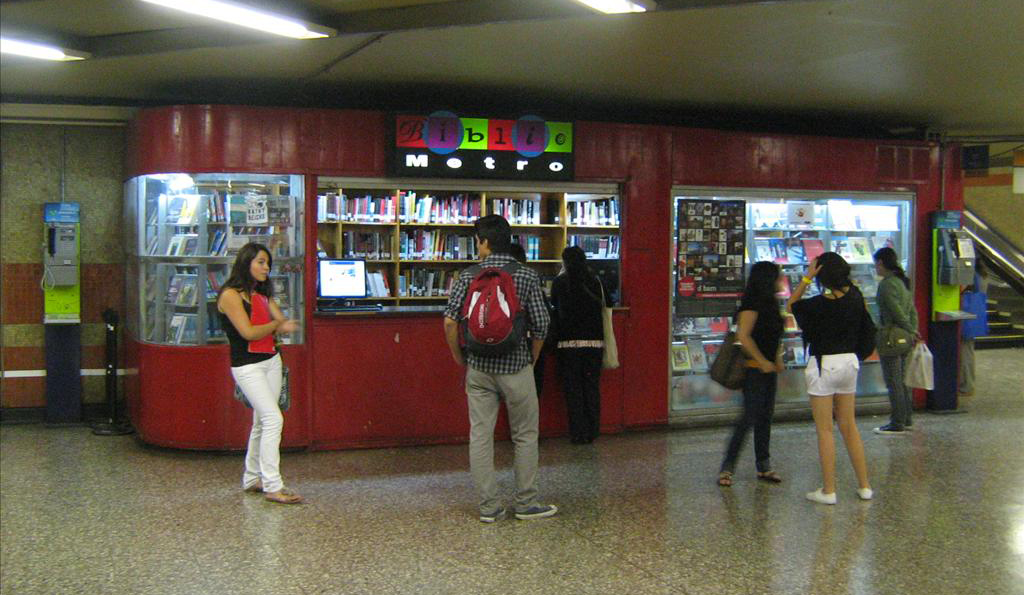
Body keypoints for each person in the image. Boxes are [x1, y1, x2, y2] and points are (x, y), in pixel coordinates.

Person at [443, 215, 557, 523]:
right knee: (525, 435)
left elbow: (451, 321)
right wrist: (530, 361)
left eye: (477, 240)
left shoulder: (467, 275)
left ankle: (489, 508)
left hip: (478, 368)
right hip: (516, 367)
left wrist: (459, 357)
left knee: (480, 435)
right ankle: (526, 503)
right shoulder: (527, 276)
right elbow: (542, 326)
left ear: (485, 242)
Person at [217, 243, 302, 504]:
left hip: (271, 361)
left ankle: (252, 476)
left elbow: (282, 322)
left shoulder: (262, 294)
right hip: (248, 366)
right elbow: (248, 333)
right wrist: (277, 324)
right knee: (273, 419)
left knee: (261, 421)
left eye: (267, 264)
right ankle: (273, 486)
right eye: (261, 262)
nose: (266, 268)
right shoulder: (230, 295)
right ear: (246, 263)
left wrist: (279, 323)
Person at [787, 252, 872, 505]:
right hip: (849, 363)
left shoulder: (817, 304)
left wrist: (806, 278)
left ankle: (829, 490)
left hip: (824, 364)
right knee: (849, 425)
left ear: (821, 276)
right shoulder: (856, 299)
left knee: (825, 429)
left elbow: (791, 305)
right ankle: (865, 486)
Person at [717, 261, 785, 487]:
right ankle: (727, 467)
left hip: (767, 370)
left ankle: (763, 465)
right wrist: (762, 360)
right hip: (754, 370)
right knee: (748, 418)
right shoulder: (752, 305)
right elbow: (743, 337)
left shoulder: (772, 304)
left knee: (765, 417)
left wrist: (775, 359)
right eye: (778, 276)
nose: (781, 280)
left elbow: (773, 336)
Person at [550, 245, 606, 445]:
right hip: (594, 342)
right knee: (591, 387)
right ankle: (593, 430)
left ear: (565, 262)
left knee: (573, 390)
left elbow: (554, 306)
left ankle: (577, 432)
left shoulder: (560, 282)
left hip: (568, 343)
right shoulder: (595, 281)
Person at [872, 247, 920, 435]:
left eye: (876, 263)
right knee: (902, 380)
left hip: (891, 338)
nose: (875, 267)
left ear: (881, 263)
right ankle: (906, 417)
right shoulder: (901, 282)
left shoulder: (887, 284)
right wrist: (913, 331)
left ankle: (897, 421)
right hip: (904, 338)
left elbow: (896, 312)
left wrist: (909, 328)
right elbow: (912, 310)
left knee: (893, 382)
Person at [510, 242, 548, 399]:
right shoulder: (530, 277)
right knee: (528, 404)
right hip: (527, 347)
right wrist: (534, 357)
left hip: (495, 351)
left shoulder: (481, 274)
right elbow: (541, 322)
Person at [959, 258, 989, 397]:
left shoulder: (970, 274)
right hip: (977, 316)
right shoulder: (983, 274)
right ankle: (969, 383)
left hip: (967, 317)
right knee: (969, 351)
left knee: (965, 352)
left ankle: (966, 385)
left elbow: (960, 289)